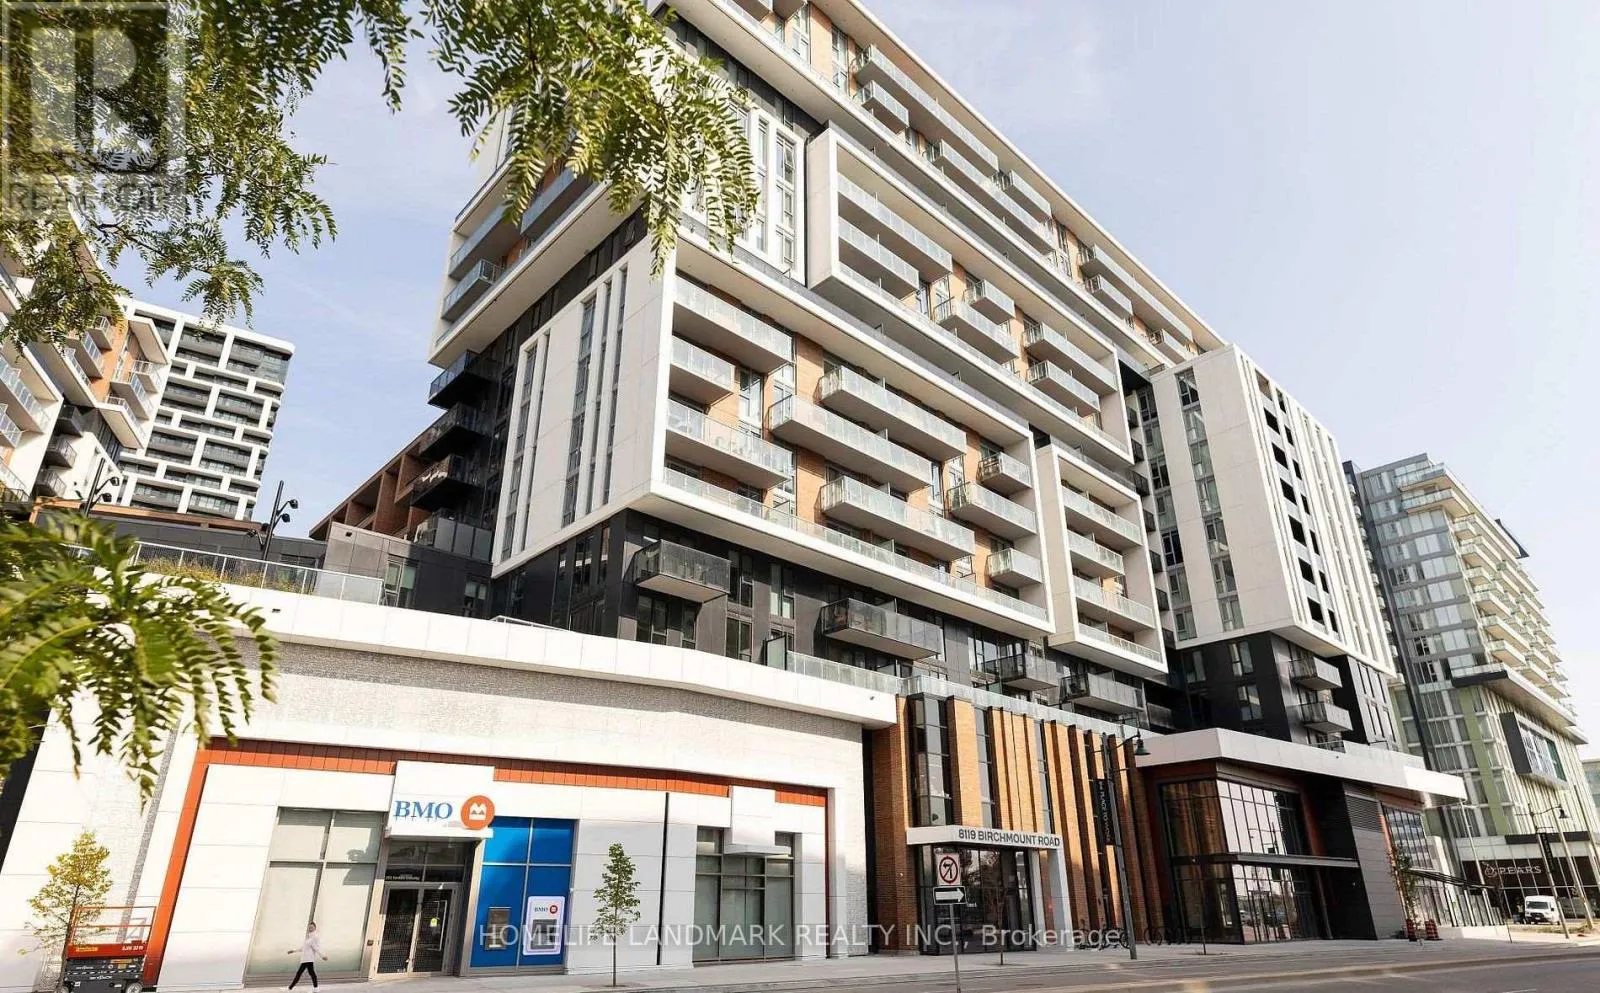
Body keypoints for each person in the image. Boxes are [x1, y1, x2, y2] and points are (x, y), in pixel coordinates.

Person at [287, 922, 327, 989]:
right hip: (305, 959)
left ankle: (290, 988)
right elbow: (302, 948)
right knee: (311, 973)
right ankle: (316, 988)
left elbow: (317, 948)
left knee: (300, 973)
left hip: (308, 959)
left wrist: (322, 956)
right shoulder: (308, 937)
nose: (310, 929)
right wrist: (293, 951)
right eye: (309, 927)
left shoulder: (315, 937)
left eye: (311, 927)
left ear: (315, 928)